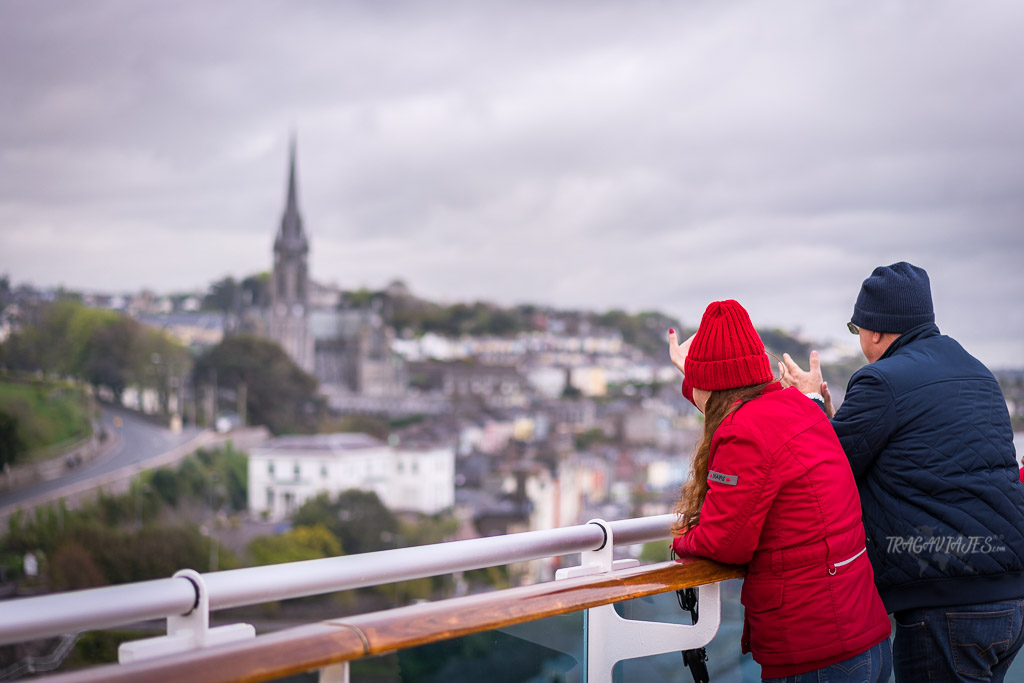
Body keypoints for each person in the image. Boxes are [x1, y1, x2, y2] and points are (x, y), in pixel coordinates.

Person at [781, 262, 1024, 682]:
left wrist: (809, 405)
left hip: (946, 600)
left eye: (856, 331)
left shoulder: (881, 380)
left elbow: (828, 469)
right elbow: (910, 451)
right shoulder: (977, 371)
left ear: (874, 330)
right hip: (1011, 597)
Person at [669, 299, 891, 682]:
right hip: (862, 634)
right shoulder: (798, 407)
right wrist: (695, 373)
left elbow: (725, 542)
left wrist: (682, 541)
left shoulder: (743, 433)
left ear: (708, 387)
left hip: (815, 650)